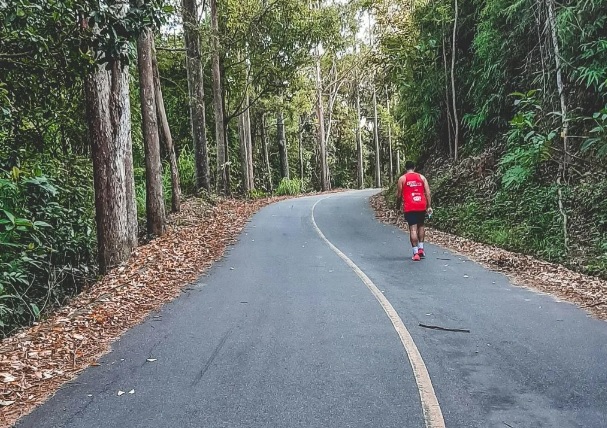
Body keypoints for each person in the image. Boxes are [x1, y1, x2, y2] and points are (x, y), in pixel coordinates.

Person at [396, 161, 433, 261]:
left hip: (410, 206)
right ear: (414, 167)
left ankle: (416, 253)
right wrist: (429, 206)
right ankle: (421, 249)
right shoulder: (422, 177)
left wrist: (397, 207)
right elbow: (428, 193)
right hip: (421, 205)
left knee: (413, 229)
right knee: (421, 225)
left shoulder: (402, 178)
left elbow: (399, 196)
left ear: (405, 168)